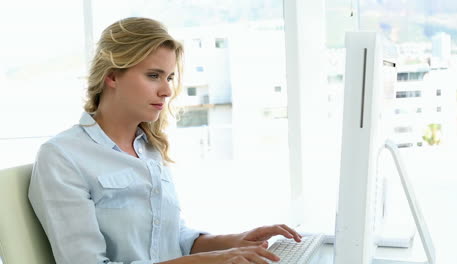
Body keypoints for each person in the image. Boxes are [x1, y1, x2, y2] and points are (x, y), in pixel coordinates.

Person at [28, 17, 301, 264]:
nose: (167, 90)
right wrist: (212, 261)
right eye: (153, 76)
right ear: (112, 76)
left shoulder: (149, 148)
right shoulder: (63, 156)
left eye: (169, 77)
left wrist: (234, 242)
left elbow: (174, 239)